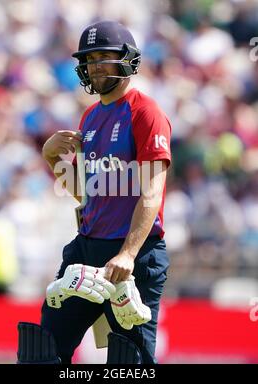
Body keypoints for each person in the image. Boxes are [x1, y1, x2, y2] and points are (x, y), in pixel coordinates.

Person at [17, 20, 172, 364]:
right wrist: (51, 156)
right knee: (41, 350)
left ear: (127, 60)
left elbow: (152, 192)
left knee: (130, 363)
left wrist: (128, 255)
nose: (96, 65)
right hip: (87, 249)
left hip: (133, 256)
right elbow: (88, 196)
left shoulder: (146, 112)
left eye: (105, 56)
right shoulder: (89, 116)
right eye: (90, 58)